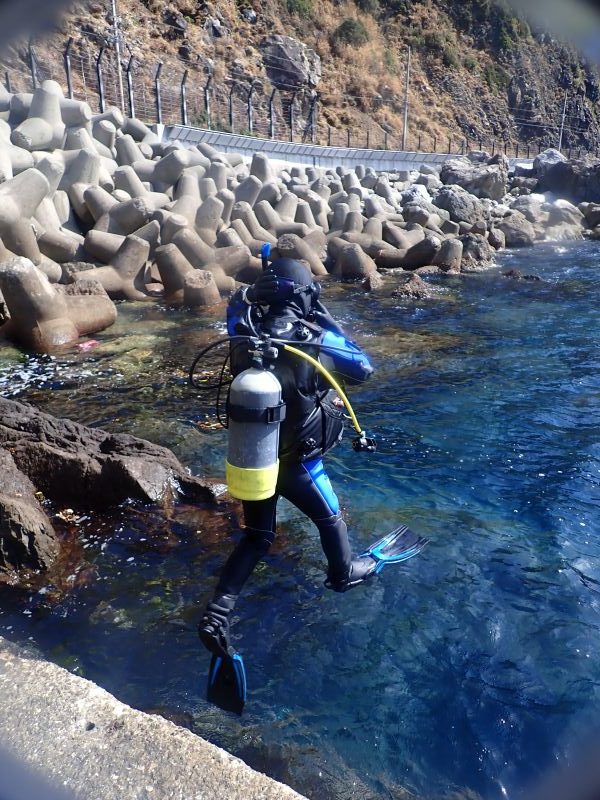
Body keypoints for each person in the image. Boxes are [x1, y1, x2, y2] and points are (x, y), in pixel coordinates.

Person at [198, 257, 378, 659]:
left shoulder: (245, 332)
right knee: (330, 519)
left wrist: (247, 296)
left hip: (254, 459)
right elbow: (363, 369)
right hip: (299, 465)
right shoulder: (314, 339)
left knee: (257, 537)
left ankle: (218, 612)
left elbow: (234, 309)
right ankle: (343, 573)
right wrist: (327, 320)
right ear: (307, 295)